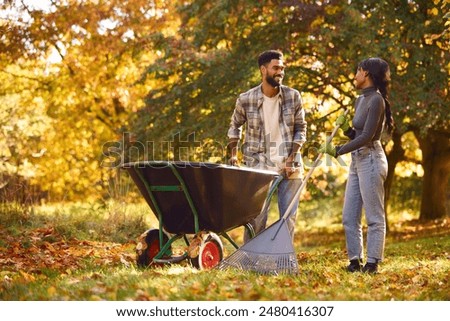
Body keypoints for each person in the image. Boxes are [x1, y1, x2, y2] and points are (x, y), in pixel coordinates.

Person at [319, 57, 394, 274]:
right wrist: (345, 129)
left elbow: (368, 137)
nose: (355, 75)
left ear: (367, 74)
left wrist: (337, 151)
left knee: (374, 216)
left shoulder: (376, 100)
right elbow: (357, 135)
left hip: (371, 158)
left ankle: (372, 263)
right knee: (349, 216)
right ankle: (355, 261)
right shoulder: (360, 100)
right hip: (357, 160)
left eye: (358, 71)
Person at [227, 49, 307, 242]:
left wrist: (291, 158)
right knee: (255, 219)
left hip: (290, 167)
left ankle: (283, 260)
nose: (280, 71)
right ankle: (250, 260)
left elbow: (301, 128)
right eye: (276, 68)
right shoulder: (246, 99)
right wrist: (233, 154)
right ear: (263, 70)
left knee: (288, 219)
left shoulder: (293, 96)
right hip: (258, 167)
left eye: (282, 68)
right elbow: (234, 126)